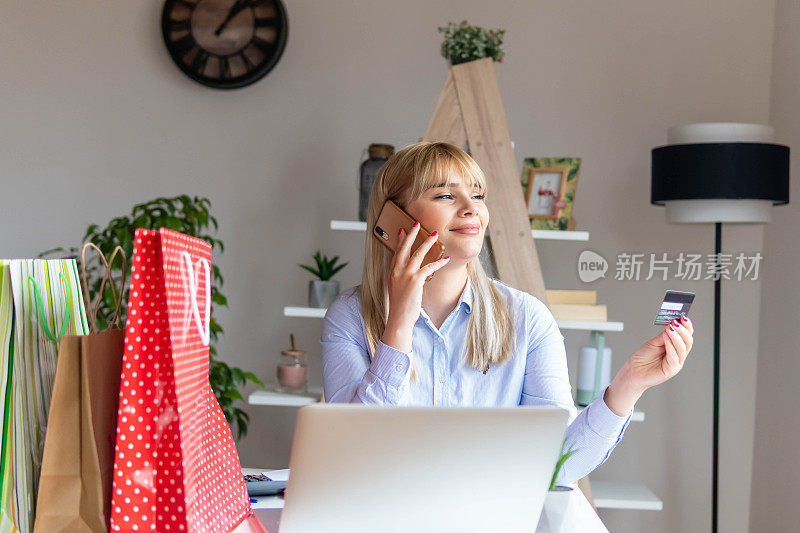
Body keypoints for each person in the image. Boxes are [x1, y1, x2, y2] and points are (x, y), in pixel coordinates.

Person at [320, 142, 694, 484]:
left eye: (478, 195)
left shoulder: (528, 318)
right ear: (393, 219)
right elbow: (354, 456)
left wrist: (630, 384)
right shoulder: (350, 318)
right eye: (446, 195)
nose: (472, 209)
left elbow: (561, 466)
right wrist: (399, 322)